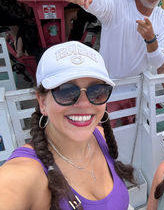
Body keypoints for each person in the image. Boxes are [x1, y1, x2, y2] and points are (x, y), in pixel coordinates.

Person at [0, 41, 135, 209]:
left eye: (97, 91)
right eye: (65, 91)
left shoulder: (100, 136)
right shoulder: (26, 174)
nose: (84, 104)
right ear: (42, 102)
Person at [60, 0, 164, 127]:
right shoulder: (117, 5)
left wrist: (150, 40)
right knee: (103, 137)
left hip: (139, 90)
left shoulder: (162, 17)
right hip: (109, 89)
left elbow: (156, 62)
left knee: (136, 136)